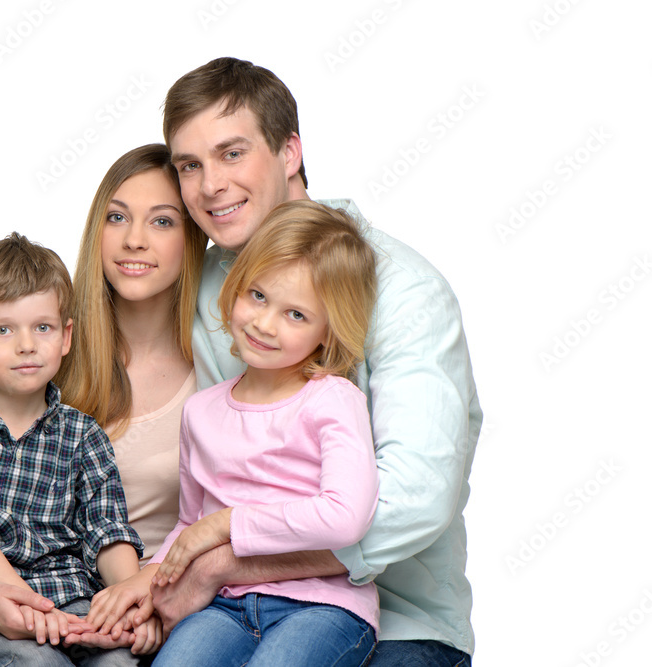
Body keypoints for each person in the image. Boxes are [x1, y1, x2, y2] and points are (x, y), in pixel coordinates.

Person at [101, 58, 482, 667]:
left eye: (232, 154)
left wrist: (223, 557)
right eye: (190, 166)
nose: (209, 186)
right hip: (227, 608)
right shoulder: (208, 284)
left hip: (400, 623)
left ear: (289, 153)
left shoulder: (405, 291)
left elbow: (416, 499)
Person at [0, 145, 208, 664]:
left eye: (163, 221)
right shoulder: (42, 348)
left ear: (193, 237)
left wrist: (135, 600)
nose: (135, 239)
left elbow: (111, 527)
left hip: (104, 597)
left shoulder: (228, 356)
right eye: (117, 216)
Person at [143, 201, 380, 666]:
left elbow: (345, 517)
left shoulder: (333, 398)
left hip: (321, 606)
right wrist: (149, 585)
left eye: (296, 315)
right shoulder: (200, 411)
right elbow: (190, 525)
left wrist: (227, 522)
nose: (264, 323)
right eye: (257, 295)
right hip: (223, 606)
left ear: (328, 332)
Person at [0, 232, 147, 666]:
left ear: (66, 336)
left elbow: (106, 531)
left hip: (72, 600)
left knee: (121, 662)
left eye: (42, 327)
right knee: (38, 663)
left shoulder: (83, 434)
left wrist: (128, 600)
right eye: (3, 329)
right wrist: (31, 609)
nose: (26, 344)